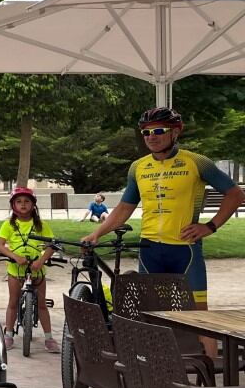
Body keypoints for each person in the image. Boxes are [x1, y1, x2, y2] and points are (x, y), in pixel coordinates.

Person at [85, 107, 245, 331]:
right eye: (146, 132)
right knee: (153, 315)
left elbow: (235, 194)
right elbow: (124, 208)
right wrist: (96, 234)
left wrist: (210, 226)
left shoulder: (196, 162)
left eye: (159, 130)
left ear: (175, 132)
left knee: (199, 317)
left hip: (185, 249)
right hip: (150, 249)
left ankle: (204, 354)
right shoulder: (138, 167)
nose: (152, 137)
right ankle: (162, 354)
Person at [0, 187, 58, 353]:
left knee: (42, 305)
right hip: (15, 270)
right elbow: (0, 246)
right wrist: (15, 256)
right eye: (19, 202)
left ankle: (49, 337)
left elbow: (52, 245)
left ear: (33, 204)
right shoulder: (8, 224)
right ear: (13, 205)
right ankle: (9, 334)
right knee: (13, 302)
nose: (23, 205)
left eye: (27, 201)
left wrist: (41, 261)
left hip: (37, 270)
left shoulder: (41, 225)